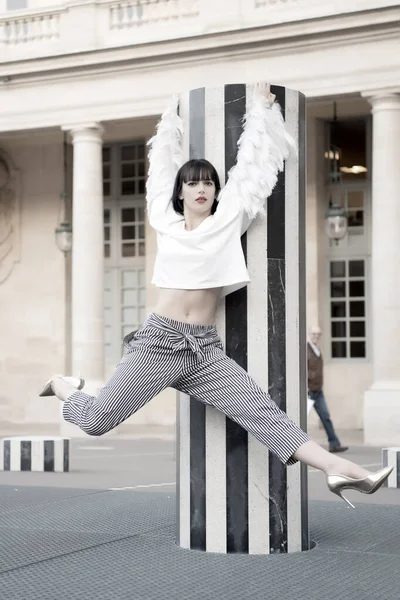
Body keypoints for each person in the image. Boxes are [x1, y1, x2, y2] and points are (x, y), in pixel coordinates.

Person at [39, 84, 391, 509]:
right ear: (181, 191)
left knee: (266, 418)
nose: (201, 189)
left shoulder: (228, 220)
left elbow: (252, 169)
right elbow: (160, 169)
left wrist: (261, 111)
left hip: (204, 351)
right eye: (192, 183)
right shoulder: (164, 222)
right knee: (96, 421)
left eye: (208, 182)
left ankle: (343, 471)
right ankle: (63, 386)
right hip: (157, 344)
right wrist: (169, 124)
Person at [308, 325, 348, 453]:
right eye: (314, 334)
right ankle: (292, 444)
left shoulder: (317, 349)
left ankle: (334, 444)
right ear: (310, 334)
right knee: (299, 419)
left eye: (318, 334)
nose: (316, 336)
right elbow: (303, 369)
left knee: (325, 417)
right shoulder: (305, 350)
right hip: (308, 391)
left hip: (317, 391)